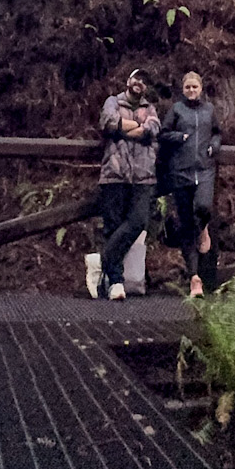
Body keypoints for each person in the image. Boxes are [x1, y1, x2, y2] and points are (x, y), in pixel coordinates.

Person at [88, 67, 160, 302]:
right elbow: (108, 122)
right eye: (137, 78)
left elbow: (153, 129)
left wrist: (123, 127)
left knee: (139, 221)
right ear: (129, 80)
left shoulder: (150, 108)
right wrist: (135, 127)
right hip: (115, 173)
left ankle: (101, 260)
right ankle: (116, 282)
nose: (140, 83)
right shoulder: (112, 101)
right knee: (113, 225)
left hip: (143, 175)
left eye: (144, 81)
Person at [160, 70, 221, 298]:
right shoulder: (177, 109)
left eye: (195, 87)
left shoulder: (209, 110)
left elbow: (217, 133)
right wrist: (180, 138)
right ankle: (195, 278)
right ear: (183, 89)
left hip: (204, 169)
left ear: (201, 88)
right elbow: (163, 134)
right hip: (181, 171)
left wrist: (214, 147)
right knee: (186, 224)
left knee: (203, 207)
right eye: (188, 87)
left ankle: (204, 229)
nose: (191, 91)